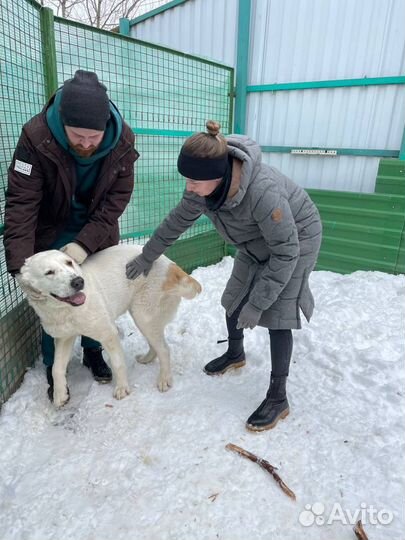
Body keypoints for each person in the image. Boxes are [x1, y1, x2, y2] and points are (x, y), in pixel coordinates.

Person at [125, 120, 322, 432]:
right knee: (234, 298)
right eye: (187, 179)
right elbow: (176, 222)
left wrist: (258, 304)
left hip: (296, 241)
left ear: (218, 176)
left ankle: (278, 397)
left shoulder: (263, 193)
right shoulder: (202, 189)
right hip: (253, 241)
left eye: (194, 181)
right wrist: (147, 257)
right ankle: (235, 352)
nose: (189, 186)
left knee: (276, 314)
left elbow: (286, 251)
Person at [4, 69, 139, 401]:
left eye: (94, 136)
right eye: (78, 136)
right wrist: (21, 266)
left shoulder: (122, 141)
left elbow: (117, 198)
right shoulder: (36, 137)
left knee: (90, 294)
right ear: (62, 123)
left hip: (96, 230)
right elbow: (22, 203)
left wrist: (84, 242)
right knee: (55, 301)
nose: (87, 143)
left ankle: (93, 350)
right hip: (51, 229)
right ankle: (55, 371)